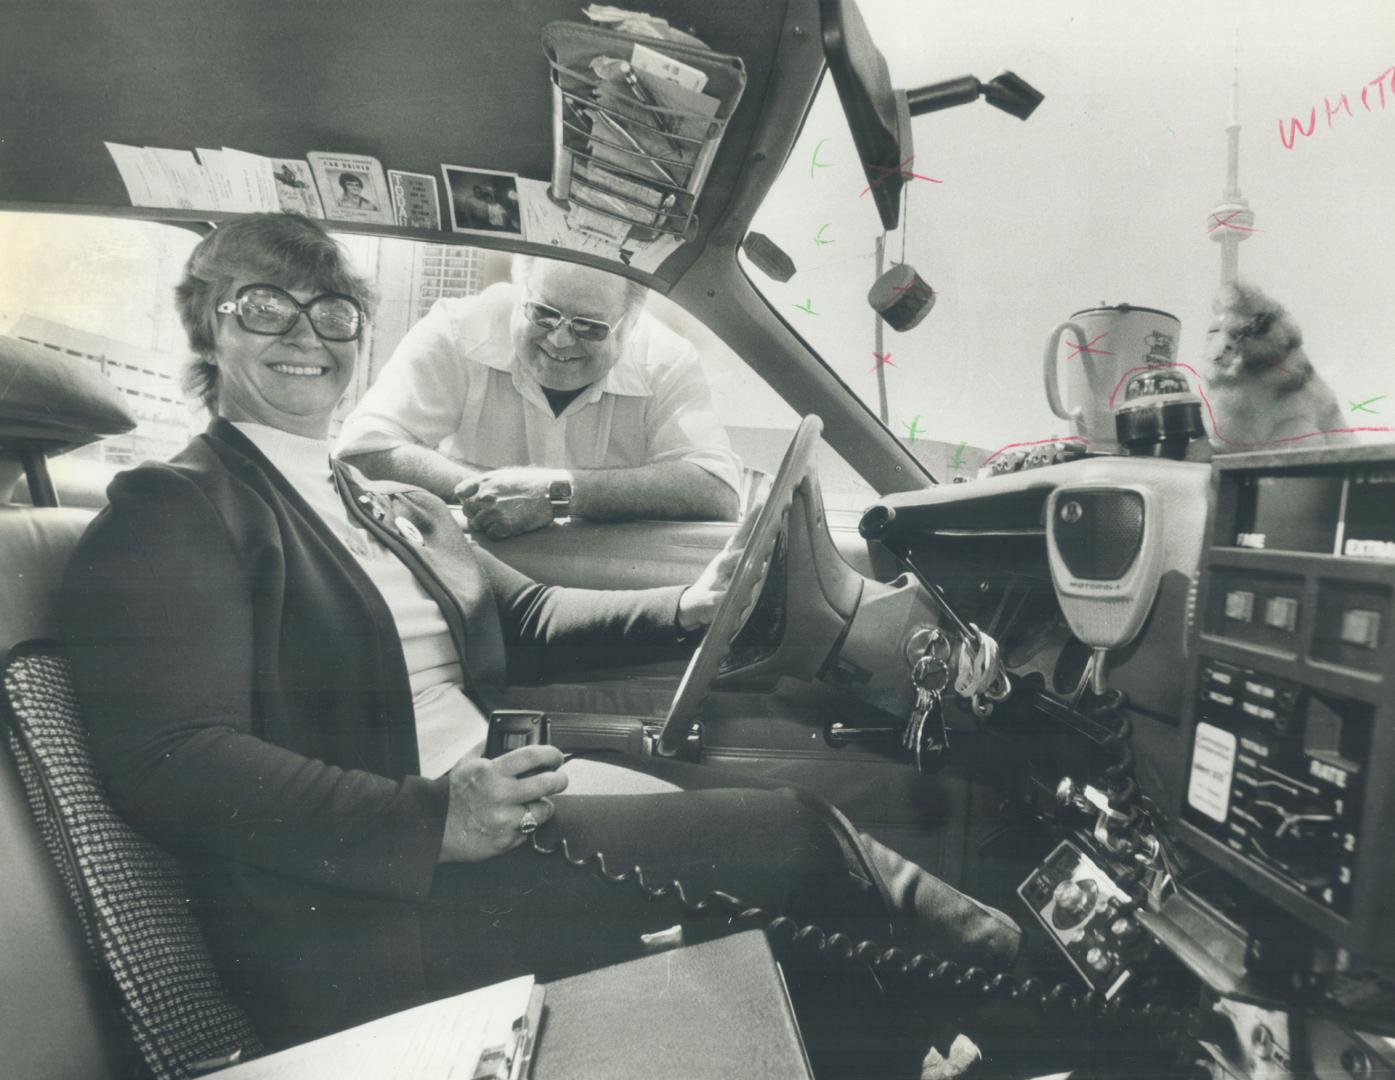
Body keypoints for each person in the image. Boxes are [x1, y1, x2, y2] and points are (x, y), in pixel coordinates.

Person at [60, 214, 1019, 1052]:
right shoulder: (178, 506)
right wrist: (436, 820)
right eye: (264, 306)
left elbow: (525, 614)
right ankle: (1039, 1012)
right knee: (798, 840)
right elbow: (173, 761)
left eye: (332, 312)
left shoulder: (378, 497)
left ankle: (954, 1028)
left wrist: (690, 606)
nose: (305, 335)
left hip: (479, 810)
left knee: (783, 843)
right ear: (207, 324)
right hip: (370, 907)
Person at [335, 254, 742, 538]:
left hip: (601, 577)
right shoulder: (457, 327)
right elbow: (360, 451)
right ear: (518, 292)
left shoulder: (667, 359)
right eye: (543, 313)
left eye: (589, 327)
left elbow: (716, 489)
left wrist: (556, 492)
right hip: (474, 562)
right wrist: (495, 492)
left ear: (631, 325)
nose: (560, 339)